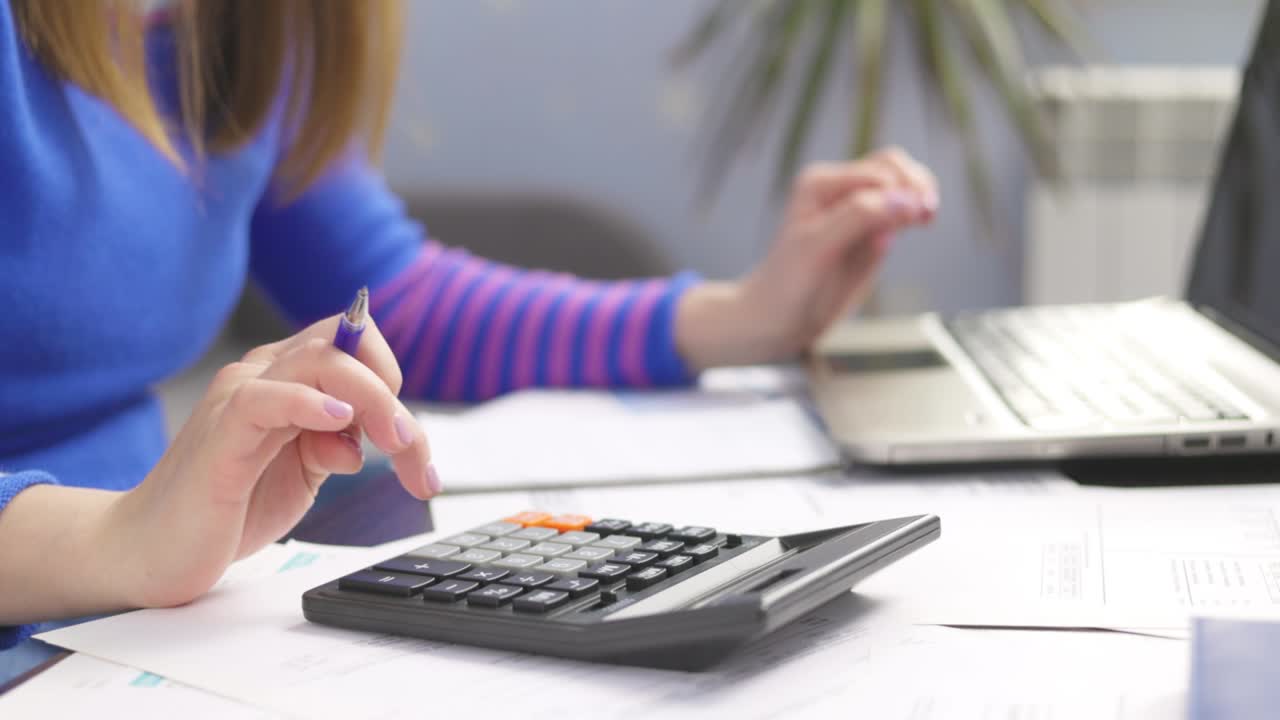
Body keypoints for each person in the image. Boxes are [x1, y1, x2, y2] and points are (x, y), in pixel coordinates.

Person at [0, 0, 938, 682]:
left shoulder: (251, 25)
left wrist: (740, 319)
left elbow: (400, 299)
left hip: (149, 614)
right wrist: (117, 538)